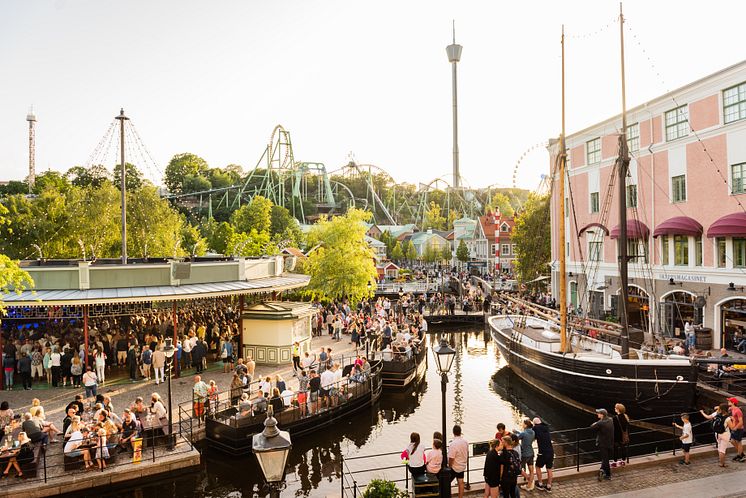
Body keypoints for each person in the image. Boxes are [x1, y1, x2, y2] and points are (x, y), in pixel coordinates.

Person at [702, 403, 735, 467]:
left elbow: (708, 417)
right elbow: (732, 428)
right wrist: (733, 420)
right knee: (722, 450)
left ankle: (721, 462)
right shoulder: (727, 418)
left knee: (719, 448)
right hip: (725, 434)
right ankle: (722, 463)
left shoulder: (716, 414)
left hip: (717, 433)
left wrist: (702, 412)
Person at [592, 408, 614, 480]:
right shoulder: (611, 420)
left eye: (598, 413)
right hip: (610, 442)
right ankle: (602, 470)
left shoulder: (600, 423)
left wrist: (596, 422)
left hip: (603, 444)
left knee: (605, 459)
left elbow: (592, 427)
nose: (597, 414)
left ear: (602, 415)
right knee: (606, 458)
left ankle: (608, 475)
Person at [532, 417, 554, 492]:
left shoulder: (535, 428)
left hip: (543, 452)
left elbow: (533, 437)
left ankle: (540, 484)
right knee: (549, 469)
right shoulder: (546, 427)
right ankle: (549, 486)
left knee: (537, 466)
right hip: (551, 451)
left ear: (534, 424)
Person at [514, 418, 535, 491]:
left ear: (525, 425)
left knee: (518, 468)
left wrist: (515, 432)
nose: (522, 425)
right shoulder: (533, 432)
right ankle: (529, 485)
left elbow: (517, 438)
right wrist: (517, 431)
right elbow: (522, 435)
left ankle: (527, 481)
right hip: (531, 453)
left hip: (525, 454)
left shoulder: (524, 433)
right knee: (531, 470)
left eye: (523, 423)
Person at [448, 425, 468, 498]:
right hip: (462, 466)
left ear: (453, 432)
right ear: (460, 432)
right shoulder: (465, 442)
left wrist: (449, 466)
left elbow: (451, 458)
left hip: (454, 467)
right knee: (461, 482)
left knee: (447, 483)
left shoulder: (453, 444)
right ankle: (460, 497)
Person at [727, 397, 745, 462]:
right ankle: (741, 453)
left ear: (733, 403)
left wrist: (735, 428)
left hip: (739, 429)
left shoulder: (738, 411)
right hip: (734, 428)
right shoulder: (732, 409)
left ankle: (740, 455)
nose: (728, 402)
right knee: (732, 441)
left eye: (729, 401)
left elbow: (741, 422)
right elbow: (734, 417)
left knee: (738, 442)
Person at [612, 403, 629, 467]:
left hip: (616, 436)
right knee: (623, 448)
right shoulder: (625, 417)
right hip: (623, 436)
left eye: (615, 408)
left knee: (615, 449)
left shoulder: (615, 418)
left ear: (618, 410)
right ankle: (623, 461)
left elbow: (613, 427)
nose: (614, 409)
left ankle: (614, 462)